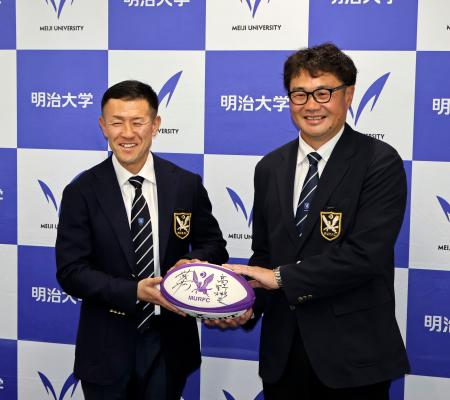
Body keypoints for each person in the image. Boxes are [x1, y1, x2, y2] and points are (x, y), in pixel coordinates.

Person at [222, 43, 410, 399]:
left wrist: (280, 278)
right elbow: (265, 255)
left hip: (353, 359)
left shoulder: (379, 162)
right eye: (300, 94)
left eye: (323, 92)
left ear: (348, 95)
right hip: (283, 357)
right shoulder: (269, 167)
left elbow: (365, 256)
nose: (311, 105)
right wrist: (243, 304)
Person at [55, 80, 228, 400]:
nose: (127, 133)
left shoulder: (185, 184)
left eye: (137, 122)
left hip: (170, 344)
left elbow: (215, 245)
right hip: (106, 346)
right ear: (103, 126)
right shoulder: (81, 192)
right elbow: (71, 271)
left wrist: (192, 263)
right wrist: (134, 291)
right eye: (117, 122)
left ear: (155, 125)